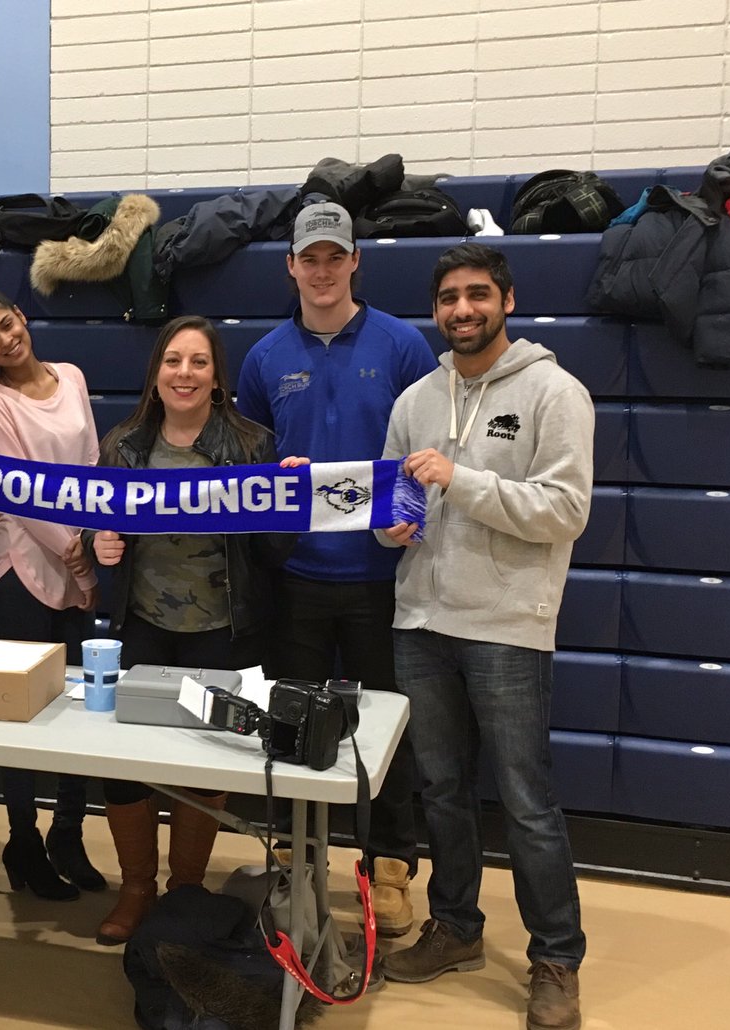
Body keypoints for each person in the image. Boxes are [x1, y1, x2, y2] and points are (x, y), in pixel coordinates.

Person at [378, 243, 591, 1030]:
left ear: (506, 299)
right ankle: (456, 928)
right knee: (441, 791)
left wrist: (459, 481)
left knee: (528, 802)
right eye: (448, 299)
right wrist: (392, 531)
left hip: (506, 626)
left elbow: (565, 511)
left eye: (477, 295)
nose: (462, 310)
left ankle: (557, 958)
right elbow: (398, 512)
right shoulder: (414, 400)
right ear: (435, 309)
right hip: (421, 623)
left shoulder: (554, 392)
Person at [235, 201, 437, 936]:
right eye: (308, 259)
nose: (321, 271)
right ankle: (293, 855)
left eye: (334, 257)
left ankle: (389, 866)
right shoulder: (263, 358)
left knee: (386, 725)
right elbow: (254, 468)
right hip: (297, 580)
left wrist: (407, 513)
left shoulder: (404, 344)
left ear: (356, 262)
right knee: (292, 727)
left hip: (383, 579)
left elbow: (424, 450)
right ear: (290, 267)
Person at [89, 315, 298, 946]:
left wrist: (287, 496)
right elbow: (93, 519)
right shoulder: (123, 444)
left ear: (217, 377)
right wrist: (95, 540)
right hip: (142, 624)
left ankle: (185, 887)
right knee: (127, 763)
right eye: (173, 361)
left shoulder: (252, 443)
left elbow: (278, 552)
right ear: (155, 374)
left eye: (198, 362)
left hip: (222, 628)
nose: (185, 373)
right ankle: (135, 887)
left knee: (202, 762)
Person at [0, 285, 105, 902]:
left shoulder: (72, 375)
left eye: (7, 324)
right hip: (21, 562)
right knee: (24, 709)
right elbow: (19, 491)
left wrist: (89, 539)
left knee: (77, 706)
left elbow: (92, 461)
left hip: (73, 552)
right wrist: (79, 553)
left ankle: (70, 830)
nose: (5, 340)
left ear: (21, 315)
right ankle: (24, 840)